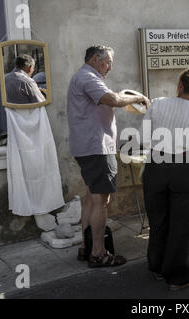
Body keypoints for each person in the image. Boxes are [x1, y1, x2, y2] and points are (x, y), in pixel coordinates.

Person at [67, 45, 150, 268]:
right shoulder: (88, 77)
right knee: (101, 201)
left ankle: (86, 248)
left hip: (89, 147)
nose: (111, 67)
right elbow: (112, 99)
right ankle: (98, 252)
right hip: (96, 148)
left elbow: (112, 97)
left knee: (92, 198)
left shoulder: (86, 76)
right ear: (95, 59)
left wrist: (128, 96)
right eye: (108, 62)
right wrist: (137, 97)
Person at [141, 66, 189, 291]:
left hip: (156, 166)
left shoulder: (158, 104)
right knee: (181, 224)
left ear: (180, 85)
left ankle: (157, 267)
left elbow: (144, 139)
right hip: (185, 169)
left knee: (158, 220)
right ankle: (179, 277)